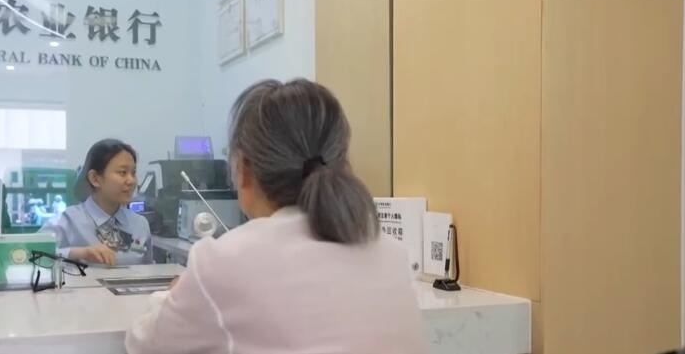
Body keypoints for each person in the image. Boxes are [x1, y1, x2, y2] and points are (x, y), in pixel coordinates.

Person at [125, 79, 429, 353]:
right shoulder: (393, 255)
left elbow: (144, 343)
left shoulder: (222, 262)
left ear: (243, 168)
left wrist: (176, 293)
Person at [40, 139, 153, 266]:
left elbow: (149, 270)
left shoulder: (139, 224)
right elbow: (31, 255)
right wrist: (78, 253)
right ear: (95, 178)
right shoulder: (67, 221)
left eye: (133, 173)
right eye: (122, 172)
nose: (131, 180)